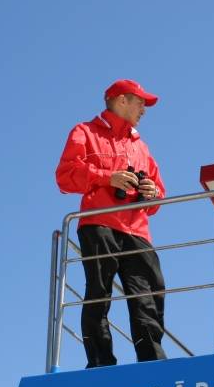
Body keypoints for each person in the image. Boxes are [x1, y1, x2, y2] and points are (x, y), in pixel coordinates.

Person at [55, 79, 168, 368]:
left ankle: (152, 361)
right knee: (99, 292)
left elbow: (158, 195)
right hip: (99, 224)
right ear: (120, 101)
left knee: (149, 292)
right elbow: (65, 175)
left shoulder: (141, 146)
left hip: (137, 230)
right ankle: (101, 363)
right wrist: (108, 177)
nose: (144, 108)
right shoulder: (84, 132)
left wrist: (152, 193)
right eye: (140, 101)